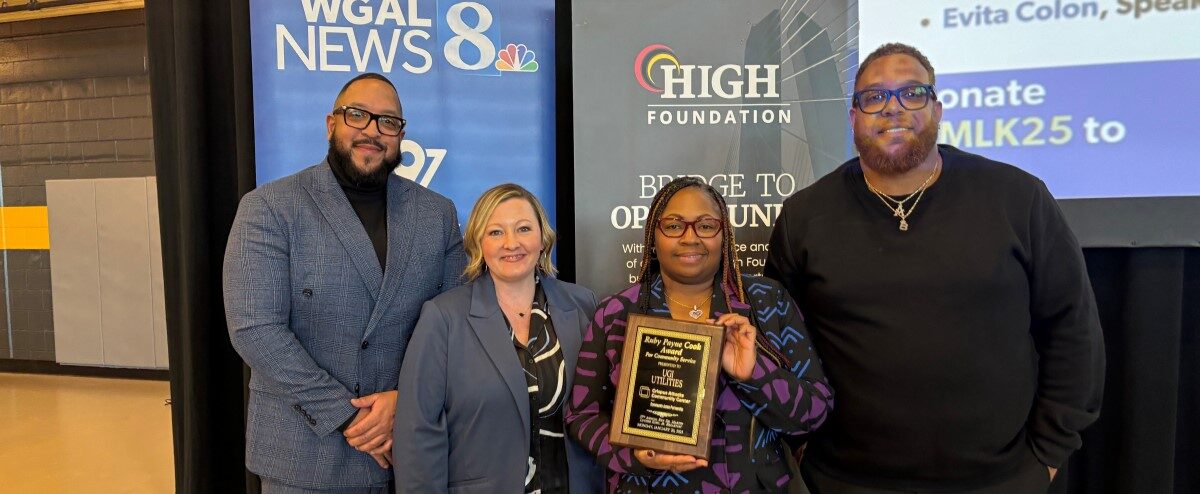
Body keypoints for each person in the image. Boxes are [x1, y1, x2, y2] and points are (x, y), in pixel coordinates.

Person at [764, 43, 1105, 493]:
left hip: (999, 480)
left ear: (937, 108)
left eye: (912, 93)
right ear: (853, 117)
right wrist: (803, 448)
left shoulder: (1017, 198)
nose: (893, 109)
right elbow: (777, 344)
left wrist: (1047, 455)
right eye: (874, 97)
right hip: (844, 480)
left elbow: (1073, 329)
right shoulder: (806, 216)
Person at [223, 72, 466, 492]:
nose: (373, 131)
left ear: (400, 135)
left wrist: (404, 402)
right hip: (303, 456)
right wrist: (352, 416)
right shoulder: (269, 207)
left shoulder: (437, 215)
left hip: (408, 450)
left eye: (388, 122)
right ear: (331, 123)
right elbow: (256, 330)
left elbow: (454, 324)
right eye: (358, 115)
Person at [567, 177, 833, 493]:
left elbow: (815, 411)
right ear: (654, 235)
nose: (690, 238)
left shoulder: (766, 302)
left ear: (724, 235)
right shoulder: (616, 313)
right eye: (674, 226)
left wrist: (754, 375)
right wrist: (635, 455)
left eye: (706, 226)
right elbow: (582, 415)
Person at [393, 183, 605, 493]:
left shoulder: (584, 305)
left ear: (543, 239)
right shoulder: (443, 317)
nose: (511, 243)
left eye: (523, 229)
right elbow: (418, 433)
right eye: (495, 232)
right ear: (478, 242)